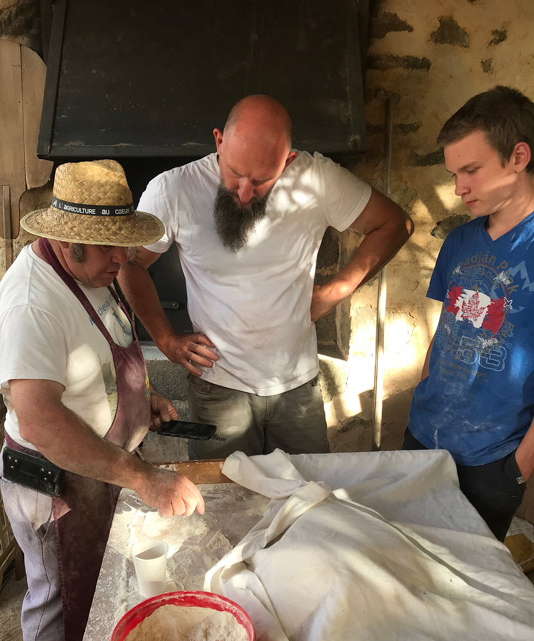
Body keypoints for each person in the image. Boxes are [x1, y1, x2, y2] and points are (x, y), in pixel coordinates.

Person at [0, 159, 204, 641]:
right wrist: (143, 478)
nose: (122, 259)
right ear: (66, 242)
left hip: (102, 466)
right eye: (108, 247)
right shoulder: (32, 303)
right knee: (59, 599)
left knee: (99, 583)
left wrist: (141, 398)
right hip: (53, 478)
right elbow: (41, 420)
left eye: (124, 243)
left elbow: (104, 347)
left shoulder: (93, 272)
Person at [119, 95, 413, 459]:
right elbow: (130, 264)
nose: (244, 192)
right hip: (218, 388)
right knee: (225, 491)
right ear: (219, 141)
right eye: (234, 172)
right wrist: (165, 339)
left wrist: (335, 291)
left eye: (261, 180)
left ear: (288, 161)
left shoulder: (317, 180)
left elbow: (394, 224)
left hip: (297, 388)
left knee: (305, 489)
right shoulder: (174, 189)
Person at [403, 85, 534, 542]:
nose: (459, 188)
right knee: (403, 555)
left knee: (460, 577)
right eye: (454, 173)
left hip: (492, 460)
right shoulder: (459, 241)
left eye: (471, 170)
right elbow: (447, 330)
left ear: (519, 156)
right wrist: (423, 393)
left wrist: (517, 468)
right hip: (422, 438)